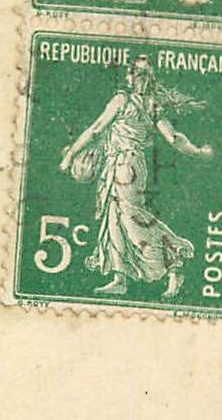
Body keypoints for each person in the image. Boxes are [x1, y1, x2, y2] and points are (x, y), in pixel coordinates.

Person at [60, 53, 213, 299]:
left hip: (125, 166)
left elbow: (97, 128)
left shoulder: (125, 101)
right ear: (129, 76)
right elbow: (174, 138)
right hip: (120, 165)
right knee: (114, 219)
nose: (136, 77)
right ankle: (120, 277)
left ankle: (174, 264)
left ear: (147, 79)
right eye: (134, 72)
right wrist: (198, 152)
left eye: (142, 73)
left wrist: (70, 157)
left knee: (131, 218)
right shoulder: (146, 104)